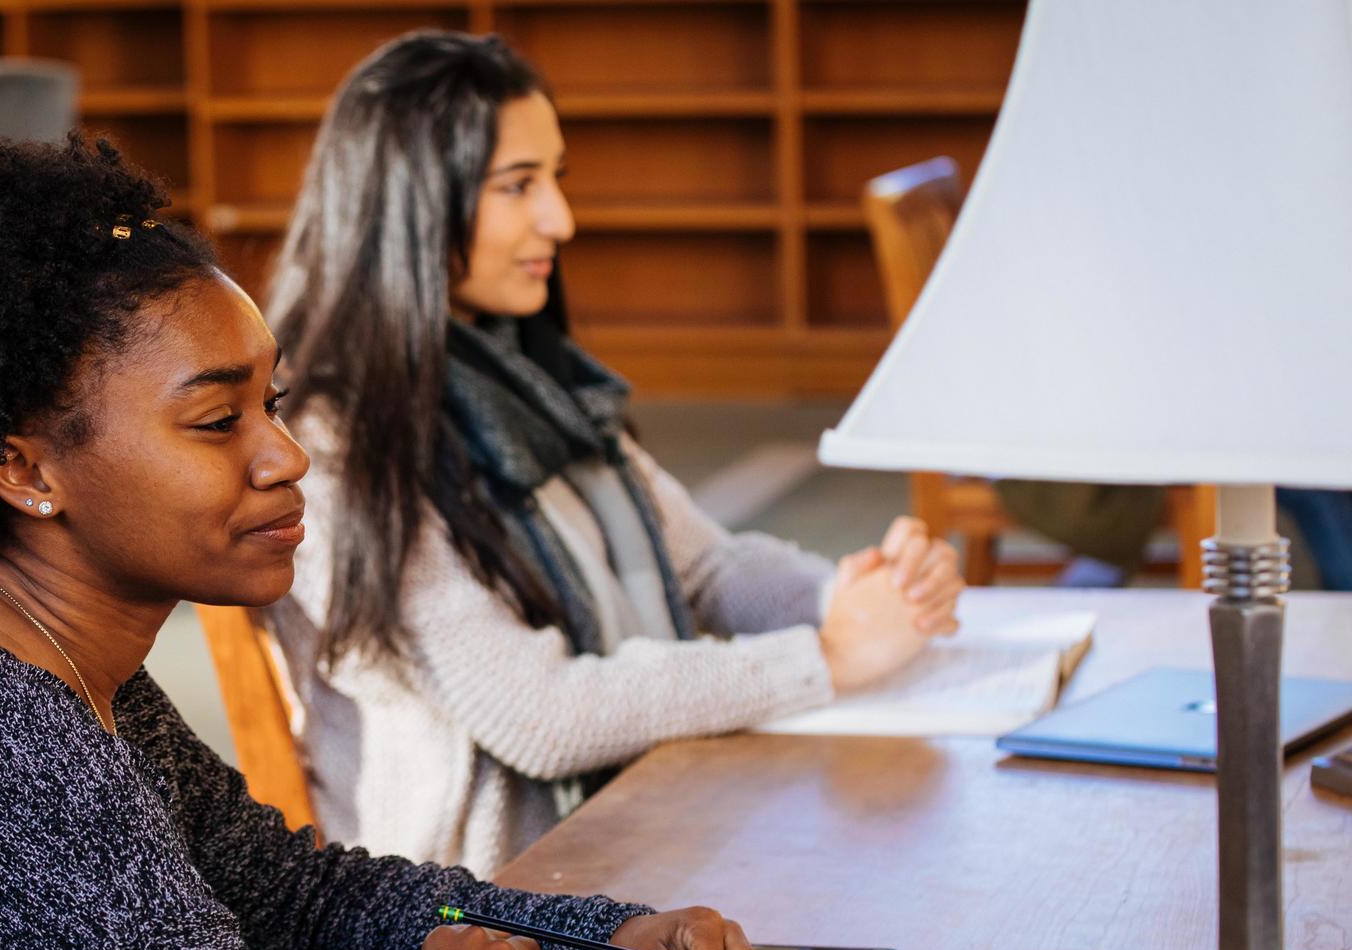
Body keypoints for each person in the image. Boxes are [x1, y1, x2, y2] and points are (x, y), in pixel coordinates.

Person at [0, 133, 779, 950]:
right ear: (23, 466)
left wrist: (609, 937)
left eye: (268, 405)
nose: (286, 455)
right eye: (218, 418)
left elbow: (307, 905)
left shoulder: (57, 661)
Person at [264, 31, 966, 876]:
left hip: (648, 817)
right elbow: (537, 714)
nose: (561, 218)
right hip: (486, 901)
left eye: (557, 179)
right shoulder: (331, 441)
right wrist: (828, 656)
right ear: (413, 202)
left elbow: (708, 570)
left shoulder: (522, 372)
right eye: (519, 186)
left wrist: (846, 596)